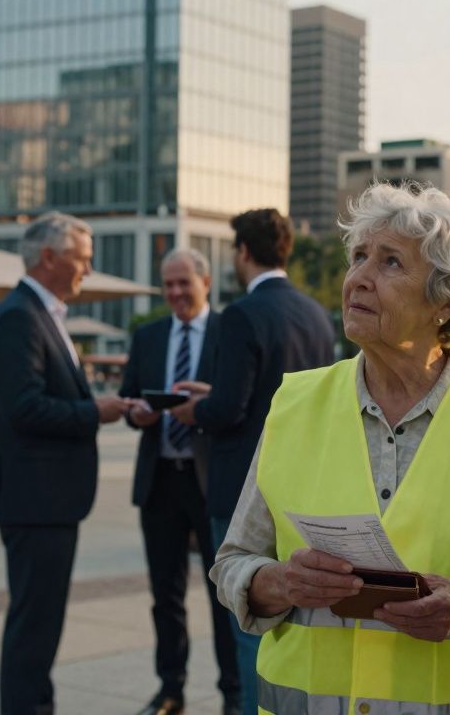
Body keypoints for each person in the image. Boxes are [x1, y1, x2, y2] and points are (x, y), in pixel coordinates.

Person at [209, 183, 450, 714]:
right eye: (359, 257)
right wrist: (281, 582)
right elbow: (233, 563)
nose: (358, 278)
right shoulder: (295, 403)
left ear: (448, 300)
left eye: (390, 263)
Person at [169, 207, 333, 715]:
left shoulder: (241, 313)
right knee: (296, 619)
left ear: (242, 252)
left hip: (245, 487)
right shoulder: (315, 313)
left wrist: (193, 407)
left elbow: (230, 410)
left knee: (247, 619)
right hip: (307, 485)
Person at [0, 211, 133, 715]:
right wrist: (98, 410)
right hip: (34, 499)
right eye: (81, 260)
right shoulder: (19, 316)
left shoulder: (41, 313)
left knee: (41, 623)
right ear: (49, 258)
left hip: (46, 498)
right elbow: (22, 408)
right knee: (34, 625)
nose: (86, 271)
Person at [119, 248, 240, 715]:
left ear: (205, 282)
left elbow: (239, 406)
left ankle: (232, 692)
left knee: (223, 594)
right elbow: (131, 396)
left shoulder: (228, 331)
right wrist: (139, 413)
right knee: (164, 595)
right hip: (160, 480)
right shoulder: (147, 335)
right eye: (167, 285)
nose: (174, 293)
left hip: (211, 480)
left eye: (182, 284)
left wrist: (205, 408)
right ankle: (171, 689)